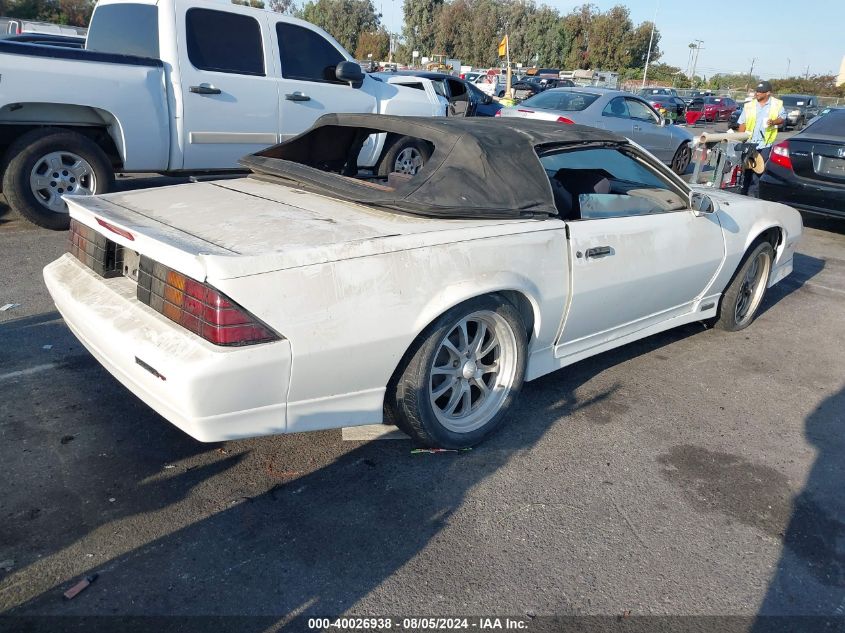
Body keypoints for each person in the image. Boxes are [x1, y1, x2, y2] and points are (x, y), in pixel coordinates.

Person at [737, 80, 786, 197]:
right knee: (746, 169)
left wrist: (773, 121)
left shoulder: (776, 104)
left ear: (768, 93)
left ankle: (752, 195)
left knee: (758, 170)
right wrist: (740, 139)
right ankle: (743, 193)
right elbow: (742, 123)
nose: (757, 94)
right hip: (749, 143)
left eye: (760, 92)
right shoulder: (749, 105)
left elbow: (783, 117)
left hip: (764, 144)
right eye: (756, 91)